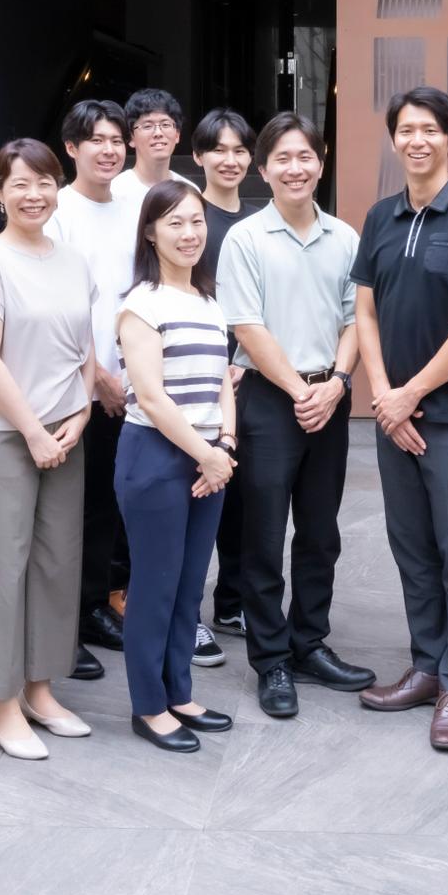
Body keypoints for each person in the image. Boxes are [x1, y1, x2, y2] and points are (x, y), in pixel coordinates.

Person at [353, 86, 448, 753]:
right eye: (405, 130)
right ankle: (426, 665)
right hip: (395, 417)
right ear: (394, 139)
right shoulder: (380, 217)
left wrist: (409, 393)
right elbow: (364, 312)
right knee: (412, 549)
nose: (416, 140)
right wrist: (385, 396)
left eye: (429, 130)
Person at [218, 111, 374, 718]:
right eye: (281, 158)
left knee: (319, 531)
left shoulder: (345, 237)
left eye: (305, 156)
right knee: (262, 534)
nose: (295, 168)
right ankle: (271, 659)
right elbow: (246, 326)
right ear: (263, 169)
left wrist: (336, 383)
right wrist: (298, 390)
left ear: (321, 162)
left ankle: (310, 642)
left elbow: (356, 319)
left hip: (329, 397)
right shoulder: (245, 239)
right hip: (267, 400)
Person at [0, 139, 97, 761]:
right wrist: (34, 432)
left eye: (44, 182)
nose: (34, 194)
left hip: (65, 431)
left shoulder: (73, 261)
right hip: (3, 434)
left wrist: (83, 409)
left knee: (55, 563)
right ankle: (0, 703)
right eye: (19, 183)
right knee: (0, 568)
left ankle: (40, 689)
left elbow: (84, 348)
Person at [115, 182, 238, 753]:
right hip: (157, 455)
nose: (190, 234)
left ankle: (179, 694)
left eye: (196, 222)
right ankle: (148, 706)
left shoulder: (209, 301)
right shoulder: (141, 304)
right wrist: (206, 454)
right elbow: (151, 396)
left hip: (210, 458)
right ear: (150, 233)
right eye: (175, 223)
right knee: (154, 586)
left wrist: (225, 444)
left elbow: (223, 381)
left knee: (189, 586)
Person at [46, 99, 135, 678]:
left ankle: (93, 606)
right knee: (67, 512)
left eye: (116, 140)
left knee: (108, 504)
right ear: (71, 148)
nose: (108, 150)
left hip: (130, 385)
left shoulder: (134, 210)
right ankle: (61, 626)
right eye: (95, 140)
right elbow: (58, 306)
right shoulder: (57, 212)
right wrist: (98, 375)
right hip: (74, 386)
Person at [192, 107, 257, 663]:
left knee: (243, 500)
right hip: (199, 378)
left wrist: (247, 357)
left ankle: (233, 601)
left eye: (239, 150)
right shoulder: (190, 216)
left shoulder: (258, 221)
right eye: (219, 150)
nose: (229, 160)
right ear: (199, 157)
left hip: (250, 377)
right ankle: (184, 613)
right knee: (194, 495)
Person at [114, 86, 197, 212]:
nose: (158, 133)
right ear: (131, 137)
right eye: (147, 126)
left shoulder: (190, 192)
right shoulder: (115, 191)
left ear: (177, 135)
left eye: (165, 124)